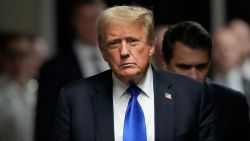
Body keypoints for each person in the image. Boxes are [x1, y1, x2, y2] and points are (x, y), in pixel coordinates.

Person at [52, 6, 215, 141]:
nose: (124, 52)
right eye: (114, 43)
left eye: (133, 41)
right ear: (103, 51)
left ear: (151, 45)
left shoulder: (191, 94)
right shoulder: (75, 100)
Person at [162, 21, 250, 141]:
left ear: (210, 63)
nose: (193, 75)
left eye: (201, 66)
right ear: (165, 64)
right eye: (184, 67)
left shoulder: (233, 104)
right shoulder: (146, 102)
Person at [35, 1, 109, 140]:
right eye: (84, 19)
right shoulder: (53, 68)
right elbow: (46, 122)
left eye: (96, 18)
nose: (91, 24)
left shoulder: (123, 58)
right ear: (74, 22)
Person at [0, 32, 40, 141]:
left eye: (23, 55)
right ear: (3, 57)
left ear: (32, 57)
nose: (17, 61)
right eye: (12, 55)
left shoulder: (40, 89)